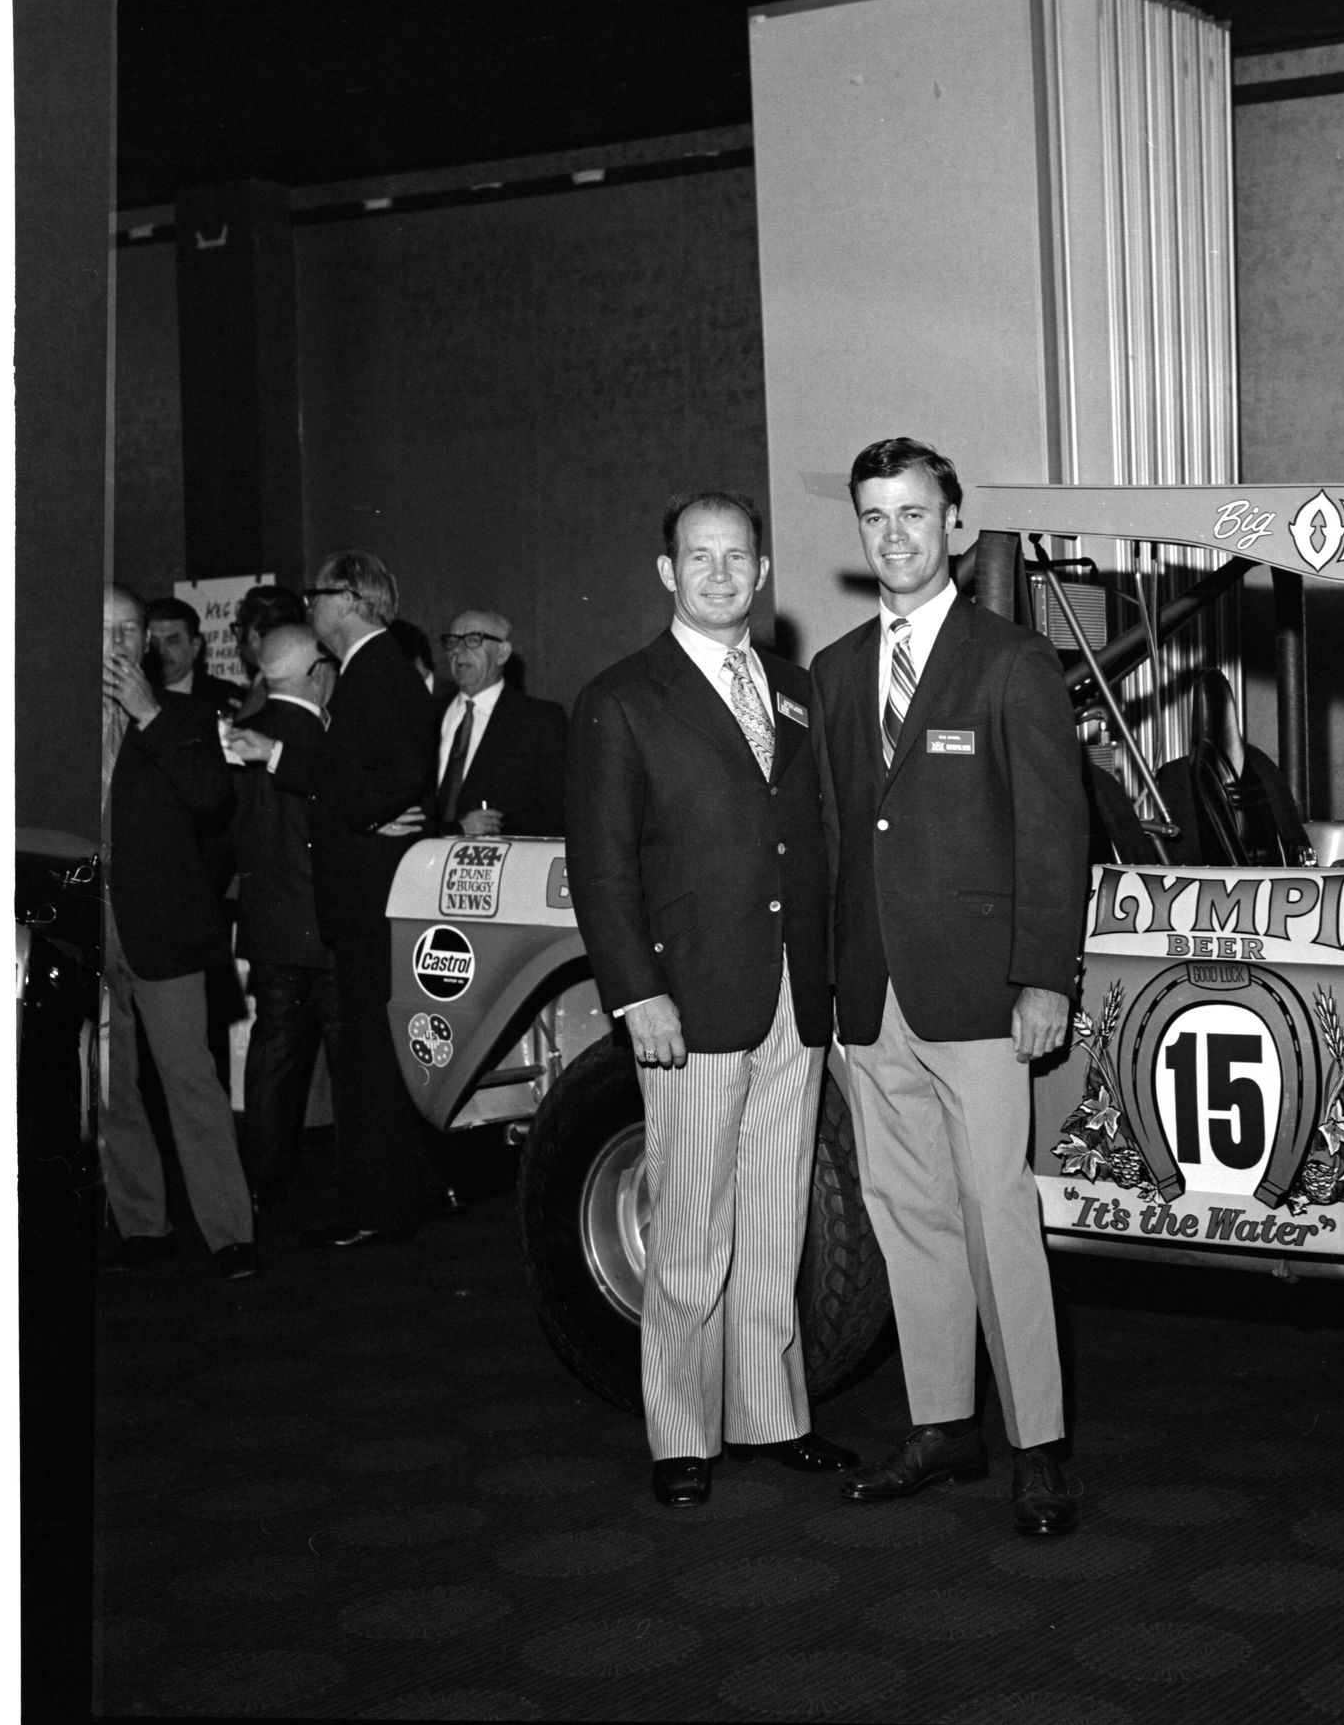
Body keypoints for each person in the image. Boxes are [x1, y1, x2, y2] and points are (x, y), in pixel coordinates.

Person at [813, 437, 1090, 1538]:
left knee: (996, 1214)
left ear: (955, 525)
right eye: (875, 515)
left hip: (979, 994)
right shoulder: (836, 671)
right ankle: (941, 1425)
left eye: (914, 513)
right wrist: (831, 991)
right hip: (873, 994)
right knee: (907, 1214)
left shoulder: (1011, 661)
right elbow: (840, 835)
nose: (895, 535)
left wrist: (1043, 978)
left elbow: (1054, 836)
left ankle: (1039, 1445)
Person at [567, 489, 854, 1508]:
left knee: (777, 1225)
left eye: (738, 557)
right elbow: (601, 866)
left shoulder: (795, 689)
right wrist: (636, 995)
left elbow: (812, 836)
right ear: (668, 572)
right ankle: (682, 1432)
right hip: (686, 1001)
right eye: (701, 556)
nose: (721, 574)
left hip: (791, 997)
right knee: (691, 1232)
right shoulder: (621, 698)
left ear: (763, 571)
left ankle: (771, 1414)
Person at [98, 586, 257, 1280]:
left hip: (163, 927)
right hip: (86, 924)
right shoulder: (50, 720)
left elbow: (212, 798)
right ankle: (142, 1224)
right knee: (109, 1085)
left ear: (146, 642)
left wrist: (149, 716)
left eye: (129, 629)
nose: (117, 643)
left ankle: (230, 1234)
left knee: (190, 1079)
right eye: (104, 629)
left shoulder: (186, 715)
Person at [295, 548, 442, 1245]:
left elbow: (404, 774)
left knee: (373, 1057)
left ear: (351, 599)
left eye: (317, 593)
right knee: (373, 1052)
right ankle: (387, 1201)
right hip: (372, 893)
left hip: (374, 896)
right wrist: (371, 809)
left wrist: (363, 813)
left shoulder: (376, 671)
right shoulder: (371, 669)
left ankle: (378, 1209)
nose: (309, 606)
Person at [224, 624, 342, 1206]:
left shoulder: (242, 735)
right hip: (326, 926)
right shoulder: (323, 740)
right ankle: (362, 1182)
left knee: (273, 1055)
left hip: (268, 924)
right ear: (317, 674)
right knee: (350, 1061)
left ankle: (263, 1182)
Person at [433, 609, 569, 836]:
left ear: (502, 653)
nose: (458, 650)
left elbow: (558, 813)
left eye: (473, 640)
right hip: (423, 855)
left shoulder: (539, 721)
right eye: (452, 642)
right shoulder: (427, 714)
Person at [145, 594, 249, 720]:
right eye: (153, 642)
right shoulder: (133, 693)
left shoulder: (226, 698)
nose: (161, 651)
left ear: (195, 647)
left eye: (172, 641)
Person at [230, 584, 309, 721]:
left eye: (238, 627)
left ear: (253, 635)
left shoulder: (271, 685)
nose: (236, 637)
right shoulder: (304, 677)